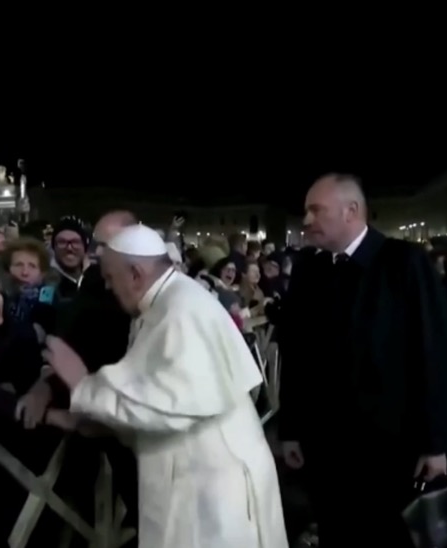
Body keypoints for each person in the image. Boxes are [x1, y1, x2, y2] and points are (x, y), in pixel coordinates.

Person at [43, 224, 287, 548]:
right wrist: (98, 423)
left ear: (135, 274)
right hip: (194, 474)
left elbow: (167, 404)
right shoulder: (161, 303)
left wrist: (84, 385)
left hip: (212, 484)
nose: (108, 286)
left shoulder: (181, 311)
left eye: (111, 278)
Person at [278, 174, 447, 547]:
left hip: (390, 450)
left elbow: (433, 353)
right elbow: (296, 354)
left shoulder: (404, 262)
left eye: (316, 210)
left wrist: (437, 442)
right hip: (324, 446)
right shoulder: (309, 268)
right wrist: (291, 428)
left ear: (351, 211)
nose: (306, 220)